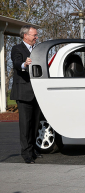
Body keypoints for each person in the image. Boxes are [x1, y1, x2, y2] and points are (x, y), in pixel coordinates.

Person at [10, 25, 43, 164]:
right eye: (34, 35)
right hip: (23, 92)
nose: (36, 37)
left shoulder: (38, 49)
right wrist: (24, 64)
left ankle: (33, 149)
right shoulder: (17, 48)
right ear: (25, 36)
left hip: (38, 93)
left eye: (36, 35)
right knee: (25, 125)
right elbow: (17, 63)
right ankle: (26, 154)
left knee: (35, 124)